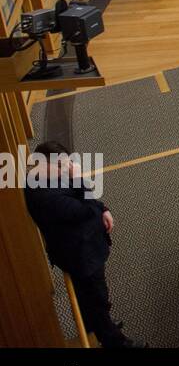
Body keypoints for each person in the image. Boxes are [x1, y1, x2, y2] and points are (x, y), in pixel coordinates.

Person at [24, 142, 137, 347]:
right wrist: (79, 180)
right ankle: (114, 342)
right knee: (97, 299)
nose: (66, 170)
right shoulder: (43, 197)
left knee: (89, 299)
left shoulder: (50, 176)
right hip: (81, 255)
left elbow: (89, 203)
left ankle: (96, 326)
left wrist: (103, 208)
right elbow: (85, 210)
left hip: (83, 245)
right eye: (61, 166)